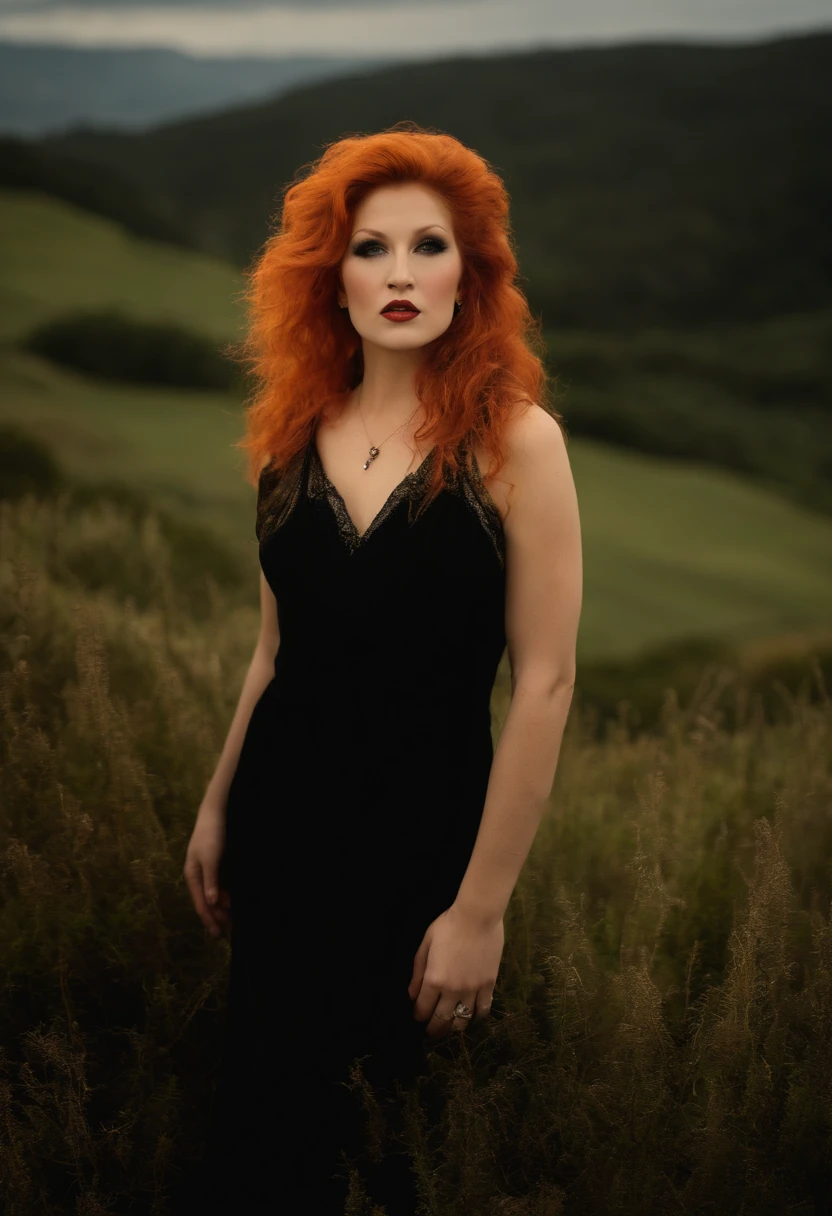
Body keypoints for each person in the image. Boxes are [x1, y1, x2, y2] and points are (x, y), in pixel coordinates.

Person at [180, 122, 582, 1214]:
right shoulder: (283, 441)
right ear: (330, 275)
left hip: (424, 854)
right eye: (369, 248)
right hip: (279, 831)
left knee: (388, 1147)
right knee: (263, 1135)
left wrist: (480, 912)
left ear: (473, 273)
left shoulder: (517, 442)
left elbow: (544, 683)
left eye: (428, 246)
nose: (399, 273)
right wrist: (216, 808)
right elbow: (274, 650)